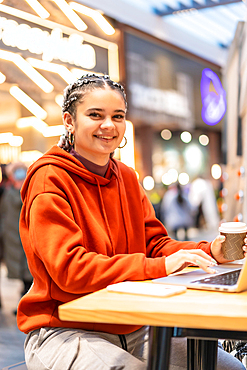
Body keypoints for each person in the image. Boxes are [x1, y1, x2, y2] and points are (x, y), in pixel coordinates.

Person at [16, 74, 246, 370]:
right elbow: (70, 270)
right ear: (69, 122)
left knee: (231, 369)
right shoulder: (50, 178)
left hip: (133, 324)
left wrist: (209, 251)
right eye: (95, 115)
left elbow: (156, 244)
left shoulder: (125, 176)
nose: (109, 125)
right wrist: (158, 267)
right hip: (64, 328)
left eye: (118, 116)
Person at [0, 162, 33, 312]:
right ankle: (24, 297)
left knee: (29, 269)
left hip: (26, 235)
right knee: (18, 269)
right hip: (11, 236)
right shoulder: (6, 190)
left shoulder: (29, 188)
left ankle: (27, 298)